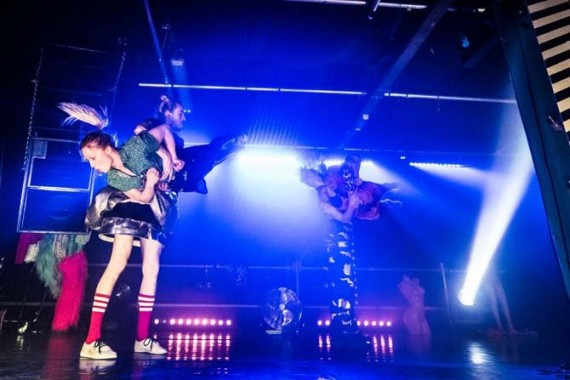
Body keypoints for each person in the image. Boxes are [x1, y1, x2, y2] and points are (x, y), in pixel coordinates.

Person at [58, 102, 176, 360]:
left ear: (106, 149)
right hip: (131, 207)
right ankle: (91, 340)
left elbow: (165, 128)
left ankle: (143, 338)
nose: (91, 165)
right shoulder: (114, 178)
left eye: (92, 158)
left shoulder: (135, 146)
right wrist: (152, 183)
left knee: (152, 269)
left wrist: (169, 156)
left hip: (157, 210)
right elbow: (143, 198)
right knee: (117, 263)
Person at [139, 95, 246, 194]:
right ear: (168, 114)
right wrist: (166, 156)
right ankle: (236, 139)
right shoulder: (154, 123)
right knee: (209, 155)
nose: (184, 118)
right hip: (165, 176)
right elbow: (139, 131)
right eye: (180, 114)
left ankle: (234, 144)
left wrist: (166, 186)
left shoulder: (177, 140)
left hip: (178, 171)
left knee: (210, 156)